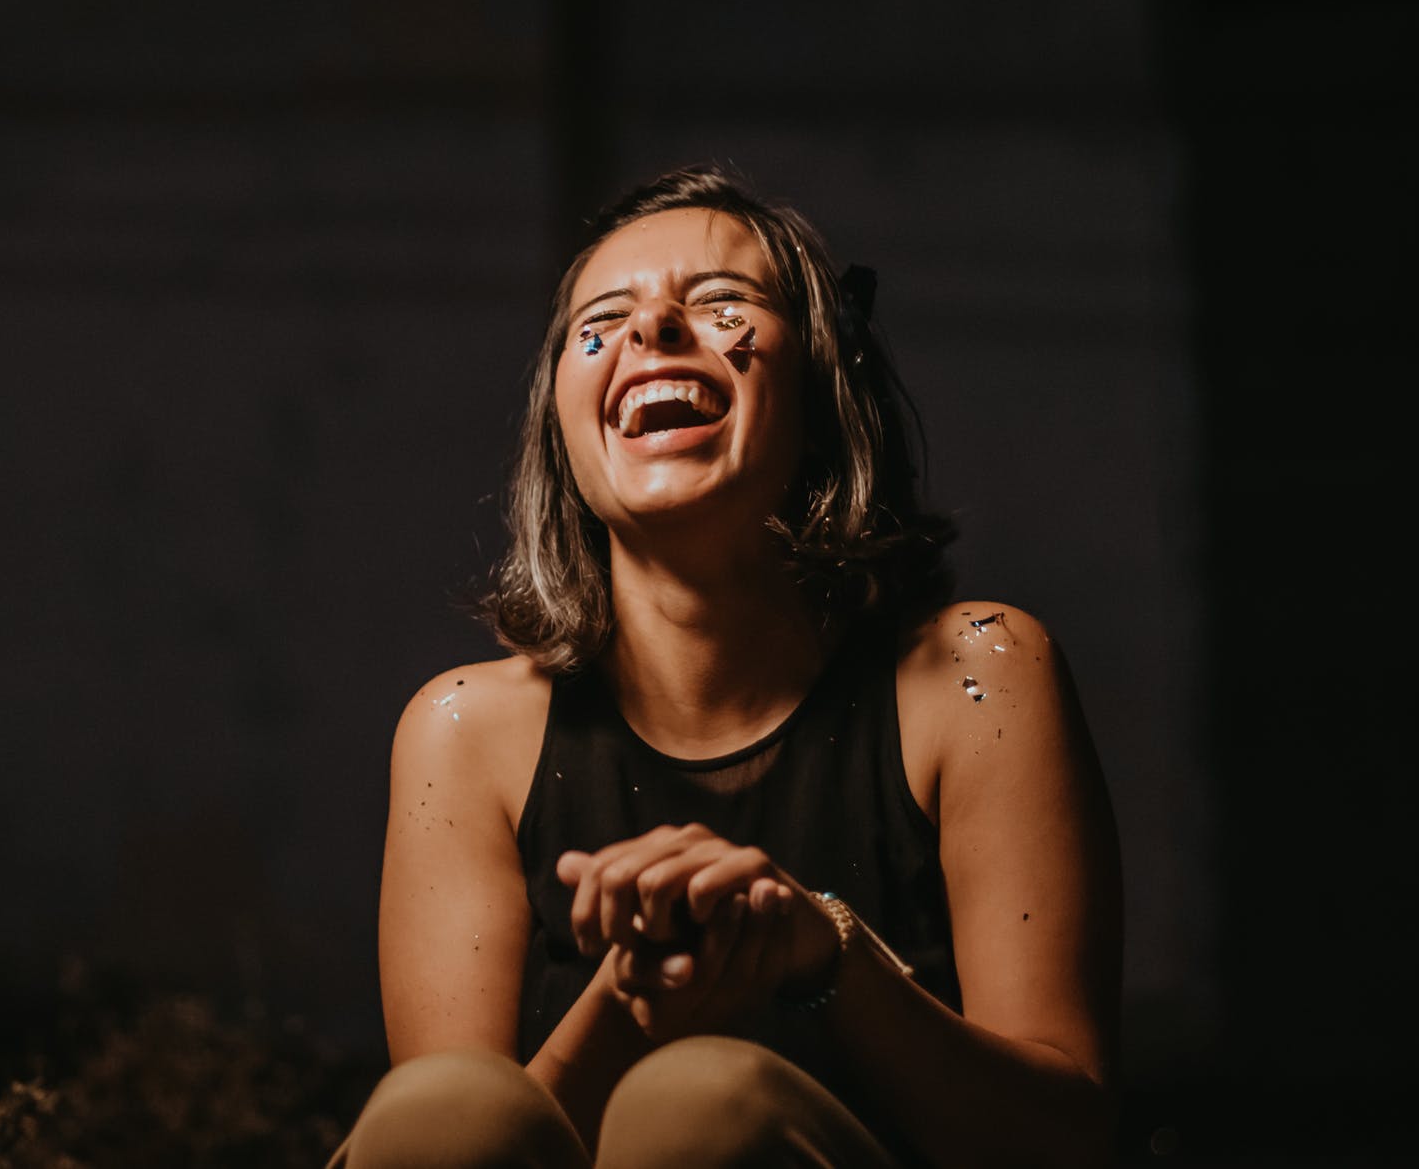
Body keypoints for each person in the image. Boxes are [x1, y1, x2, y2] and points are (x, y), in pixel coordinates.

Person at [332, 167, 1122, 1168]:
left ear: (821, 384)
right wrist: (632, 991)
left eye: (720, 305)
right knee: (440, 1106)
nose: (650, 330)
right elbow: (460, 1145)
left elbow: (1066, 1134)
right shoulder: (463, 732)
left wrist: (821, 950)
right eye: (600, 320)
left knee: (701, 1103)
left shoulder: (973, 675)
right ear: (561, 424)